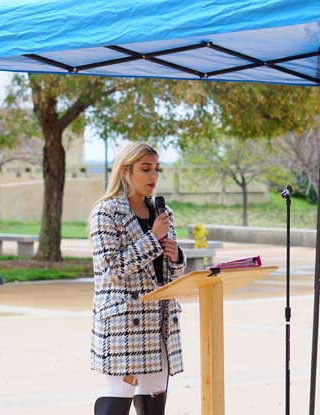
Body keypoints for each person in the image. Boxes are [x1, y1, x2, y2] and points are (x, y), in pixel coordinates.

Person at [90, 142, 186, 415]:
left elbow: (170, 274)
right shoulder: (106, 212)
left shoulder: (162, 214)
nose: (153, 176)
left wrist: (177, 258)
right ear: (125, 171)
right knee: (119, 396)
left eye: (156, 169)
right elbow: (112, 270)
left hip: (160, 319)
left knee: (155, 402)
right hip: (125, 320)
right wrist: (152, 238)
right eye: (145, 169)